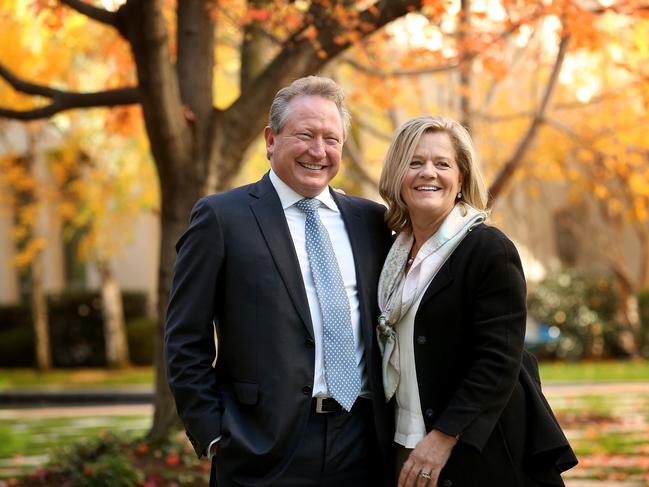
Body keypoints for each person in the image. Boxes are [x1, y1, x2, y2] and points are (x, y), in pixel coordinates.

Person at [165, 76, 393, 487]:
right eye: (305, 135)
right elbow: (185, 338)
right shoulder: (221, 218)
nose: (319, 151)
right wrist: (215, 434)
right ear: (271, 139)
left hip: (363, 443)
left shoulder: (372, 221)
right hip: (261, 448)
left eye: (332, 139)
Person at [376, 115, 577, 486]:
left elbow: (499, 359)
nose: (428, 173)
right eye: (414, 162)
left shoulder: (488, 249)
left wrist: (443, 436)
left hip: (475, 446)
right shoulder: (391, 254)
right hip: (404, 441)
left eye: (442, 163)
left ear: (462, 178)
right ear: (397, 174)